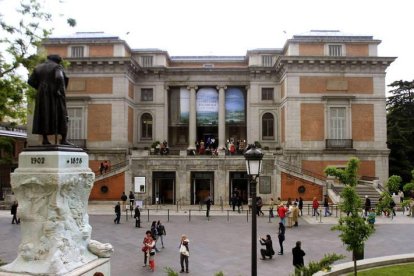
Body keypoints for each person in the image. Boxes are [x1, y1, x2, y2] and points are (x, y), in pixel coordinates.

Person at [28, 54, 72, 146]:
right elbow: (59, 77)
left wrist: (40, 88)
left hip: (41, 95)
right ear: (57, 61)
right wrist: (57, 90)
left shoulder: (38, 68)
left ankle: (45, 139)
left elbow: (30, 81)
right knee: (62, 115)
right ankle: (63, 140)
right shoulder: (57, 67)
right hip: (55, 94)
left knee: (44, 115)